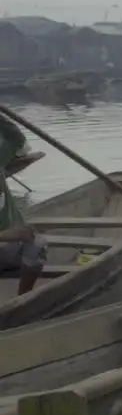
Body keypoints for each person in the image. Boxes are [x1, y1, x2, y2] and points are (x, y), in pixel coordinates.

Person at [0, 113, 47, 296]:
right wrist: (5, 235)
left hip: (8, 250)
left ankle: (22, 298)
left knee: (37, 244)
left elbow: (16, 138)